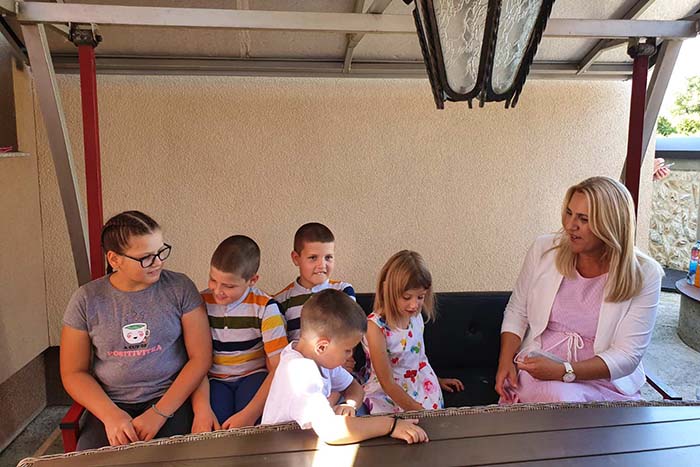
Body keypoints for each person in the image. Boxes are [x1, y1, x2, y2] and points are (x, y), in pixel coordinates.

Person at [495, 176, 663, 404]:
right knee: (560, 398)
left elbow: (627, 355)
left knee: (565, 402)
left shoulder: (645, 273)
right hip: (541, 369)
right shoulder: (544, 250)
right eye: (569, 213)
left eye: (583, 219)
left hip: (605, 379)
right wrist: (505, 362)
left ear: (610, 225)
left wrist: (564, 370)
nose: (570, 225)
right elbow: (517, 311)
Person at [60, 211, 212, 450]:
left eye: (161, 252)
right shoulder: (87, 299)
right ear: (115, 259)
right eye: (146, 257)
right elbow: (73, 372)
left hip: (170, 399)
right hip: (109, 403)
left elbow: (200, 357)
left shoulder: (179, 288)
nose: (158, 262)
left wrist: (160, 412)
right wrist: (111, 415)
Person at [262, 289, 429, 445]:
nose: (350, 355)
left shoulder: (318, 357)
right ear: (322, 346)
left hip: (304, 443)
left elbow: (354, 387)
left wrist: (349, 405)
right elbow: (331, 431)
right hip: (278, 449)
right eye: (347, 350)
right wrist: (391, 425)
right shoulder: (300, 372)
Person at [191, 235, 288, 433]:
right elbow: (193, 360)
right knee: (215, 428)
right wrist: (203, 410)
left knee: (252, 427)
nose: (218, 291)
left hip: (253, 375)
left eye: (229, 286)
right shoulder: (201, 302)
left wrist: (249, 414)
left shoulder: (265, 308)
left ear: (252, 280)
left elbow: (279, 367)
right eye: (213, 280)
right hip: (215, 379)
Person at [362, 251, 464, 414]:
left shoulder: (415, 317)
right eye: (407, 297)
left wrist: (437, 380)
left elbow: (419, 358)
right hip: (388, 391)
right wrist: (419, 411)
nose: (414, 305)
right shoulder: (375, 327)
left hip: (418, 383)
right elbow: (387, 383)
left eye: (420, 297)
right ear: (388, 290)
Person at [274, 222, 357, 375]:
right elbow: (282, 349)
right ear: (296, 258)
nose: (322, 265)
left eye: (328, 257)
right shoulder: (281, 301)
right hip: (301, 373)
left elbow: (351, 333)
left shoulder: (343, 291)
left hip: (338, 369)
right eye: (313, 258)